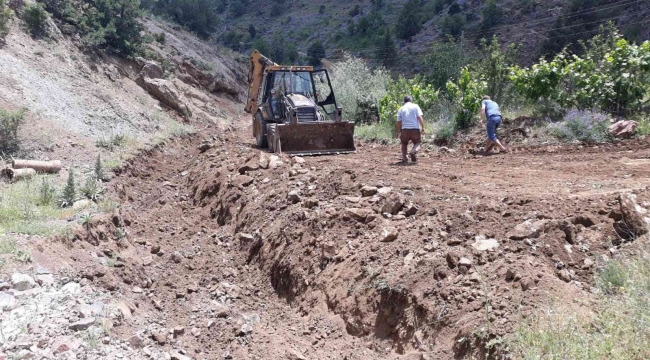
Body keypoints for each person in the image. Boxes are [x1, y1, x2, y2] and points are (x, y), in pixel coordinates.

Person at [395, 95, 426, 163]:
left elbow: (399, 122)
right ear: (411, 100)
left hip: (405, 129)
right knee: (417, 142)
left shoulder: (401, 109)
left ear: (404, 101)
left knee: (404, 143)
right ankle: (413, 151)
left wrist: (397, 132)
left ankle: (405, 158)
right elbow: (419, 117)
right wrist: (423, 127)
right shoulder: (415, 106)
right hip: (415, 129)